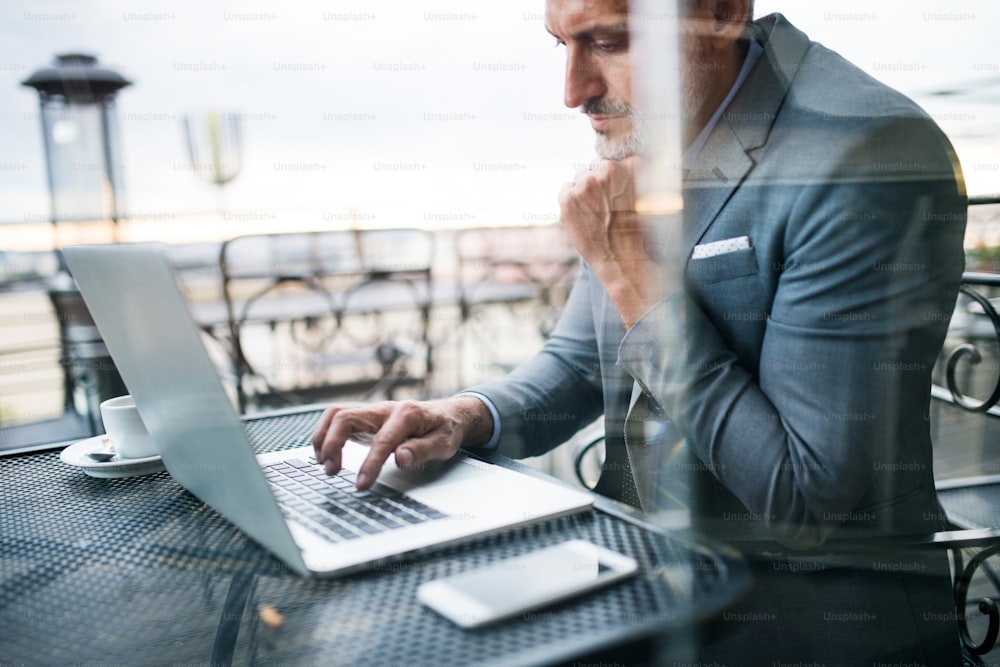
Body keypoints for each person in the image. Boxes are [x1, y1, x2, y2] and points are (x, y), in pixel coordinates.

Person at [314, 0, 967, 662]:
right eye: (561, 44)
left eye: (607, 40)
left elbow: (801, 499)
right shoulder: (658, 125)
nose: (573, 92)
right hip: (642, 575)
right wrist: (460, 415)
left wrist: (634, 283)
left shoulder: (865, 153)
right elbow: (577, 364)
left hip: (814, 626)